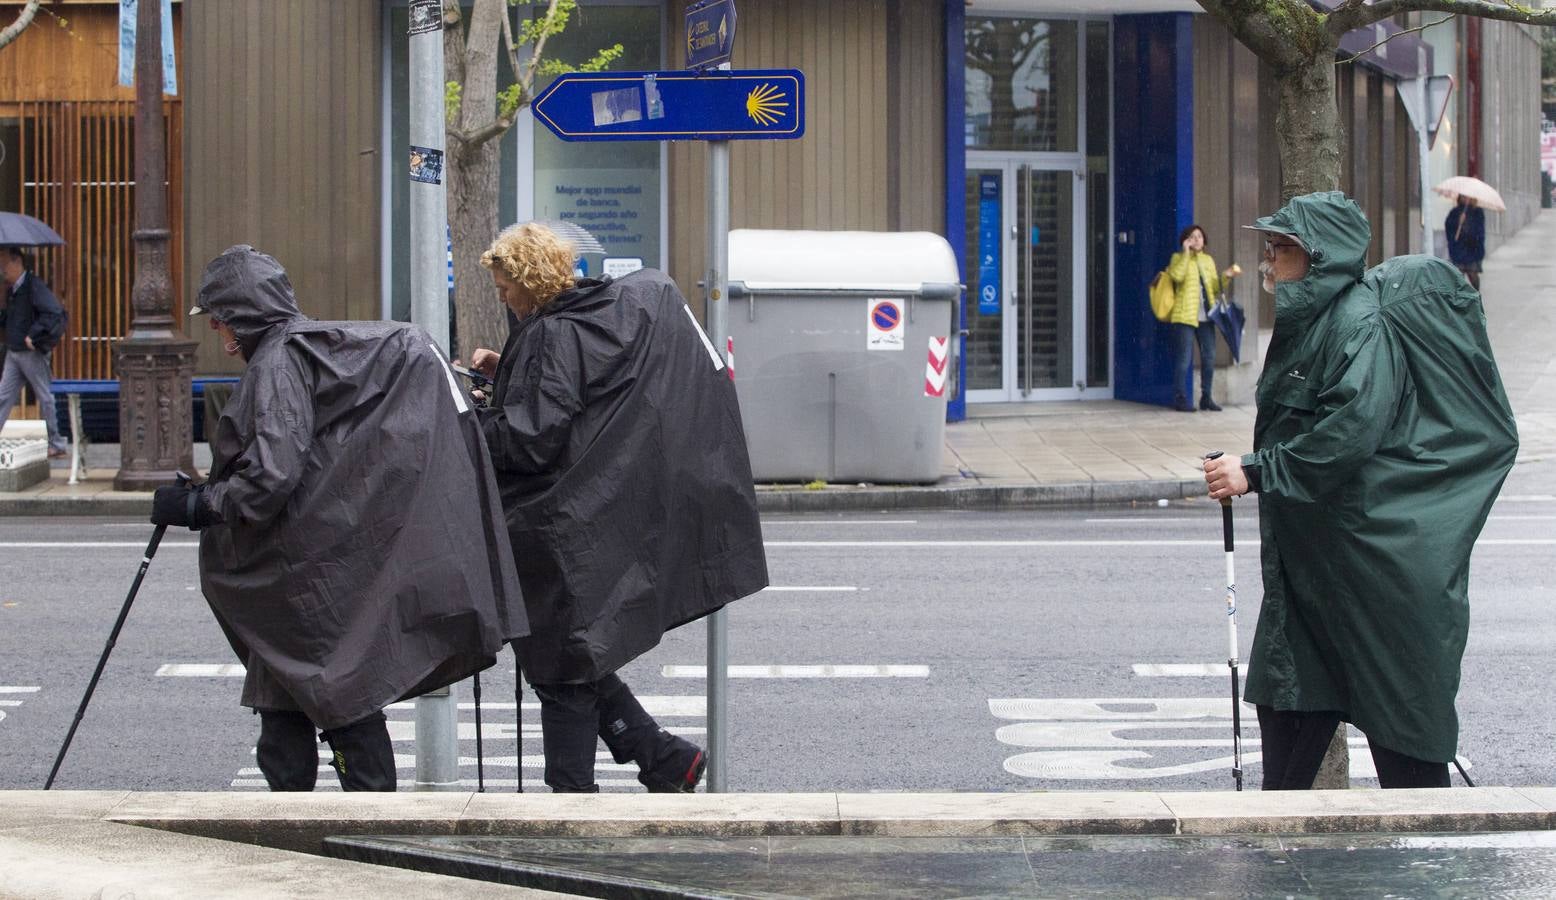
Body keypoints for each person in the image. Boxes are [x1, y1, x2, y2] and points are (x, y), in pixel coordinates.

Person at [150, 245, 526, 792]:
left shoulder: (277, 365)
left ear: (243, 314)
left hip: (293, 579)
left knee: (335, 706)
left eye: (221, 317)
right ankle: (317, 829)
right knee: (288, 717)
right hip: (300, 577)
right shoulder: (305, 351)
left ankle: (359, 833)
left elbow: (272, 477)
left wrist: (197, 505)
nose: (215, 328)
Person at [1203, 192, 1518, 790]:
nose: (1269, 259)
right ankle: (1283, 852)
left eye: (1283, 248)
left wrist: (1256, 470)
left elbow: (1349, 433)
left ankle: (1432, 867)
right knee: (1290, 697)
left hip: (1365, 570)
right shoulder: (1313, 322)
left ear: (1319, 257)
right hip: (1319, 568)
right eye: (1269, 246)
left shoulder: (1357, 325)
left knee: (1405, 747)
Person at [470, 222, 768, 794]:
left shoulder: (549, 333)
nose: (502, 296)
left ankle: (575, 803)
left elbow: (531, 439)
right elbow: (571, 398)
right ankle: (659, 757)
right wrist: (502, 375)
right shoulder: (593, 317)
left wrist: (472, 417)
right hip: (585, 518)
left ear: (530, 281)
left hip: (551, 523)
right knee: (573, 655)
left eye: (506, 285)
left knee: (563, 670)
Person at [0, 246, 69, 457]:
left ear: (16, 262)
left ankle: (56, 443)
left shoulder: (33, 286)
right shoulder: (12, 290)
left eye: (3, 265)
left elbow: (54, 312)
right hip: (14, 352)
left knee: (45, 396)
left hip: (30, 353)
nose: (2, 270)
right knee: (3, 396)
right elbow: (12, 319)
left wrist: (33, 335)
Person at [1164, 225, 1237, 412]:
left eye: (1199, 236)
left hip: (1206, 317)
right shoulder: (1178, 258)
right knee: (1184, 359)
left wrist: (1226, 277)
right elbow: (1177, 277)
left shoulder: (1208, 260)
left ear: (1204, 241)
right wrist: (1186, 253)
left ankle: (1206, 397)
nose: (1196, 239)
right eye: (1192, 237)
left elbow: (1214, 288)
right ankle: (1180, 399)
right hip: (1185, 316)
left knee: (1209, 356)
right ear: (1185, 241)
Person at [1445, 195, 1486, 290]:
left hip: (1472, 250)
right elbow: (1449, 228)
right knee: (1458, 277)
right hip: (1459, 250)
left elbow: (1479, 231)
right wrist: (1458, 222)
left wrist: (1467, 227)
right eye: (1464, 196)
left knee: (1473, 274)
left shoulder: (1477, 212)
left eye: (1468, 197)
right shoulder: (1455, 212)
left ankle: (1476, 295)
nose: (1466, 199)